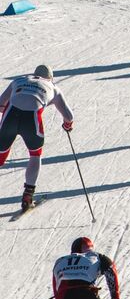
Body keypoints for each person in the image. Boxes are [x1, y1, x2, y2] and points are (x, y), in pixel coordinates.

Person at [0, 64, 74, 211]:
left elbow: (1, 103)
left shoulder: (19, 80)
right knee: (35, 155)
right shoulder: (53, 88)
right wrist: (67, 126)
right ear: (50, 78)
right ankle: (28, 195)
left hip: (10, 117)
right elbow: (69, 116)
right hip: (32, 121)